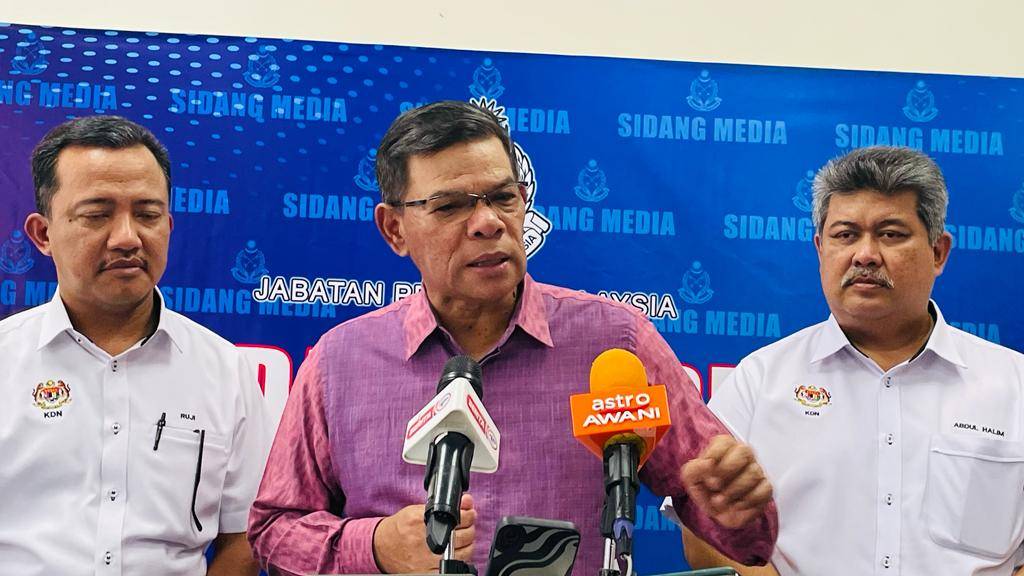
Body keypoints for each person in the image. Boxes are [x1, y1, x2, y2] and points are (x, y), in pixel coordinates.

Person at [248, 100, 778, 576]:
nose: (487, 223)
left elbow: (745, 538)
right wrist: (378, 546)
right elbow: (273, 530)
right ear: (394, 230)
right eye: (450, 206)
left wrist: (734, 514)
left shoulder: (617, 342)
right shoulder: (341, 361)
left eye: (503, 197)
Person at [671, 146, 1024, 575]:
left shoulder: (1014, 385)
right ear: (820, 248)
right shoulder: (760, 380)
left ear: (938, 252)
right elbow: (703, 530)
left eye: (891, 234)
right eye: (845, 235)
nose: (865, 254)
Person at [0, 116, 267, 576]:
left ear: (168, 225)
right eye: (97, 214)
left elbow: (246, 535)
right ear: (43, 234)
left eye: (146, 214)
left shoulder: (225, 370)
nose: (127, 238)